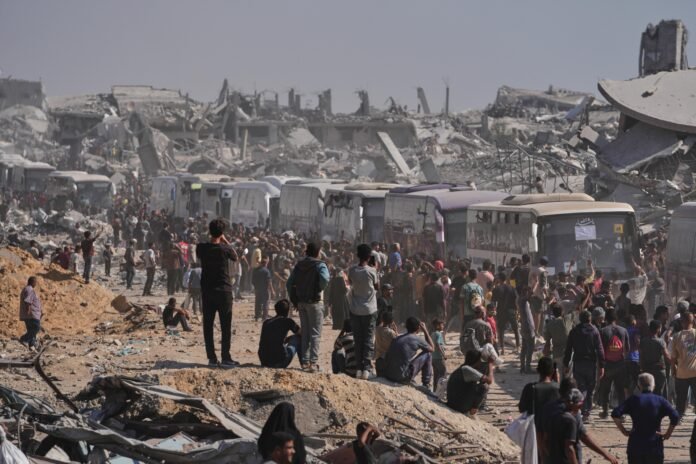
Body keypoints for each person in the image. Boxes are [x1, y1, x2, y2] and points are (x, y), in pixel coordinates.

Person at [196, 219, 239, 368]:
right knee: (225, 325)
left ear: (209, 231)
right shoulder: (225, 249)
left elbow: (200, 255)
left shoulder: (201, 248)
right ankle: (226, 357)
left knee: (208, 325)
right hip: (224, 291)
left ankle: (212, 359)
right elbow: (235, 257)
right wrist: (224, 240)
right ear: (222, 233)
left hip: (208, 291)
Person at [611, 373, 679, 464]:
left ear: (639, 386)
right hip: (654, 445)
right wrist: (668, 434)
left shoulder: (633, 399)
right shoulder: (660, 400)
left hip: (635, 445)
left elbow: (615, 414)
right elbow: (675, 416)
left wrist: (624, 431)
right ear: (653, 385)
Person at [287, 242, 330, 373]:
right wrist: (319, 288)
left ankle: (305, 362)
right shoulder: (320, 265)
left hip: (301, 302)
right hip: (315, 302)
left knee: (305, 332)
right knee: (315, 333)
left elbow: (289, 283)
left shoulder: (299, 265)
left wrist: (294, 300)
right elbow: (325, 280)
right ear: (318, 252)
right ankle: (313, 362)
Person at [546, 388, 619, 464]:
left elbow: (544, 439)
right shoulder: (571, 419)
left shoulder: (551, 412)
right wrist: (605, 454)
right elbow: (570, 448)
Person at [564, 310, 605, 421]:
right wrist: (602, 365)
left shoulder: (574, 331)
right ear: (590, 319)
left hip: (578, 364)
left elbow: (568, 349)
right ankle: (586, 412)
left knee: (581, 387)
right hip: (591, 364)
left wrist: (566, 364)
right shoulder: (595, 331)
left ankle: (582, 409)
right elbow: (600, 349)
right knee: (590, 389)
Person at [518, 356, 560, 459]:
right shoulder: (558, 389)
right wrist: (557, 382)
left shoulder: (530, 388)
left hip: (534, 432)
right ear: (553, 371)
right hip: (554, 432)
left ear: (537, 370)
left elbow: (521, 409)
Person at [348, 244, 379, 380]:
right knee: (368, 339)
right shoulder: (372, 271)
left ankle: (359, 369)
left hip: (355, 309)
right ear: (369, 256)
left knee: (358, 339)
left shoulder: (352, 270)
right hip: (369, 310)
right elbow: (377, 286)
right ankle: (366, 369)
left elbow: (351, 282)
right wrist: (374, 268)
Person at [384, 317, 434, 388]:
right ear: (418, 328)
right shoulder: (417, 339)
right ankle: (426, 384)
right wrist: (425, 330)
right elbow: (432, 348)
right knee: (428, 354)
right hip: (401, 377)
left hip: (389, 375)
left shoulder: (397, 338)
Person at [597, 308, 629, 419]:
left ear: (606, 318)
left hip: (607, 365)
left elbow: (600, 350)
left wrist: (601, 365)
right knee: (620, 390)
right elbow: (627, 348)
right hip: (620, 364)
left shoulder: (602, 331)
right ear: (616, 318)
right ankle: (622, 413)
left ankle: (605, 412)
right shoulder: (623, 331)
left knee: (606, 389)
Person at [447, 349, 492, 416]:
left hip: (453, 403)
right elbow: (489, 381)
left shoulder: (463, 367)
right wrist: (490, 365)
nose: (480, 362)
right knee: (484, 386)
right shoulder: (467, 370)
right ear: (476, 360)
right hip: (459, 407)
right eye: (480, 360)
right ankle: (473, 410)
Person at [258, 299, 301, 368]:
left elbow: (272, 338)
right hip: (280, 361)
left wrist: (288, 339)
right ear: (287, 311)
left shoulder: (266, 322)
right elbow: (301, 333)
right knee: (297, 338)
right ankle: (304, 363)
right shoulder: (288, 321)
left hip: (264, 361)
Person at [670, 311, 696, 416]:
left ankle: (679, 417)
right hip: (695, 372)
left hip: (681, 373)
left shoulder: (676, 336)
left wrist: (673, 370)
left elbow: (673, 357)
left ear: (681, 322)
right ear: (693, 321)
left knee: (681, 398)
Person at [640, 320, 671, 398]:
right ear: (658, 329)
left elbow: (641, 356)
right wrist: (674, 363)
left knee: (648, 392)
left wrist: (642, 369)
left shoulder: (643, 341)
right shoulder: (661, 342)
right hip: (659, 371)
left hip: (647, 369)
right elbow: (667, 356)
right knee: (660, 393)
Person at [492, 272, 519, 354]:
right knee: (515, 329)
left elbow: (493, 301)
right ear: (506, 279)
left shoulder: (497, 289)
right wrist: (517, 310)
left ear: (499, 279)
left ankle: (503, 348)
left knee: (501, 329)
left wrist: (493, 311)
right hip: (511, 310)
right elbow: (516, 300)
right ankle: (518, 346)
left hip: (501, 311)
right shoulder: (512, 288)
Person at [544, 303, 569, 379]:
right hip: (568, 353)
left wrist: (546, 354)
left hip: (556, 353)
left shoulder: (549, 324)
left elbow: (547, 341)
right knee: (567, 376)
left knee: (559, 376)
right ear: (562, 312)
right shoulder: (566, 321)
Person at [18, 276, 42, 349]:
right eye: (35, 282)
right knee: (36, 328)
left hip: (30, 314)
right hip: (32, 314)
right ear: (32, 282)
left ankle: (32, 345)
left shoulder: (26, 289)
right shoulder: (29, 289)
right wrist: (28, 311)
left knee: (31, 330)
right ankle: (23, 339)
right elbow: (28, 301)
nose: (36, 284)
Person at [518, 286, 536, 374]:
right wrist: (536, 284)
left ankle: (522, 367)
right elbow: (529, 296)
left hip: (525, 327)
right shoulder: (522, 300)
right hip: (528, 327)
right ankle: (527, 368)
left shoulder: (521, 301)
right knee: (530, 348)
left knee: (524, 348)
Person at [253, 255, 274, 322]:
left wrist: (256, 288)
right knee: (266, 303)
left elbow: (253, 281)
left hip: (257, 289)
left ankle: (257, 317)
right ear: (265, 263)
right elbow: (269, 281)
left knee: (257, 303)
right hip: (265, 290)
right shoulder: (266, 271)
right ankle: (264, 317)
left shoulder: (255, 270)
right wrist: (272, 291)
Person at [431, 318, 447, 390]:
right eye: (442, 325)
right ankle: (442, 390)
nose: (443, 326)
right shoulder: (438, 334)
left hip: (433, 357)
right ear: (437, 326)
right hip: (439, 357)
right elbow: (438, 344)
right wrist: (443, 354)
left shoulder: (432, 334)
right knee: (443, 374)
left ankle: (435, 390)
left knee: (436, 375)